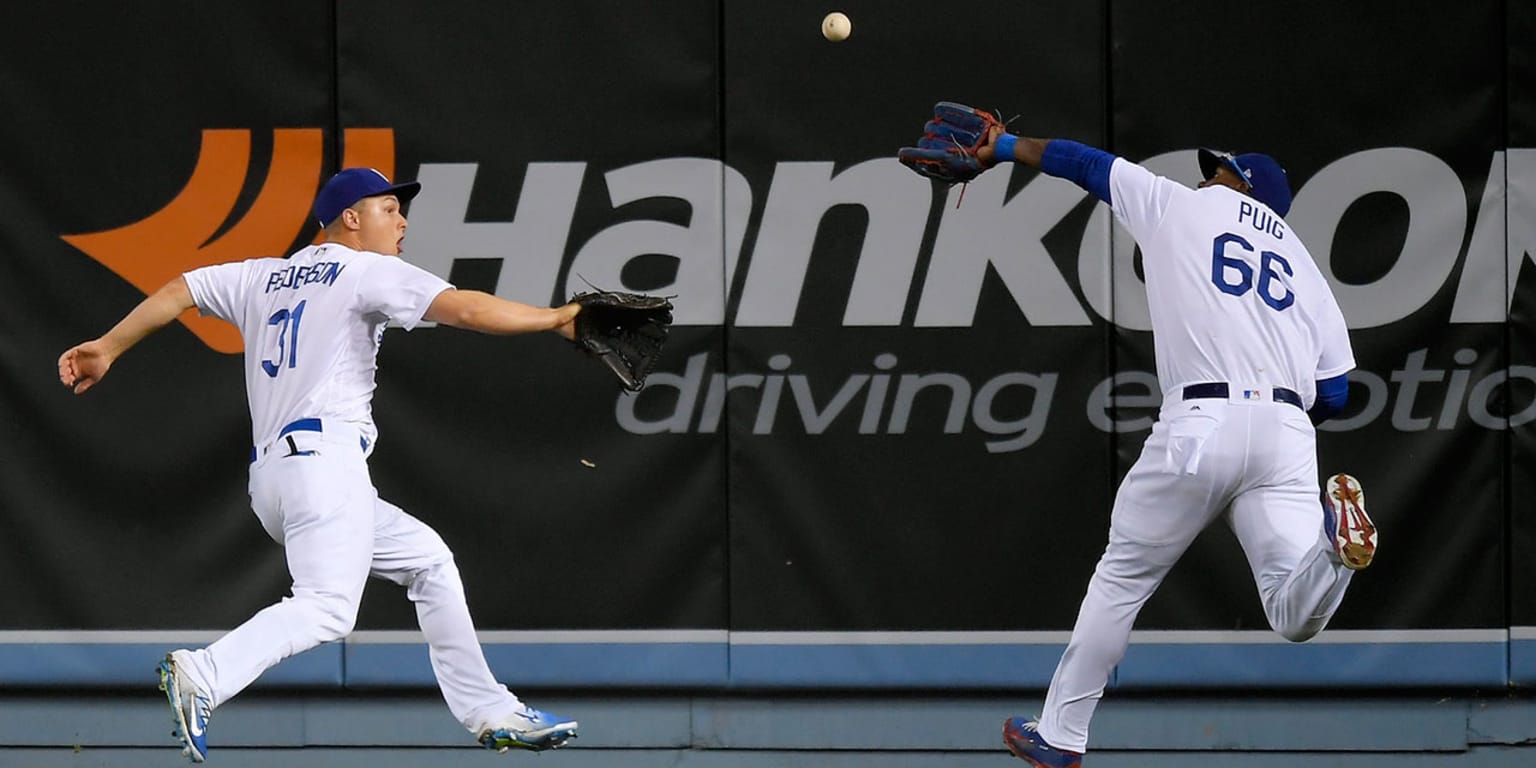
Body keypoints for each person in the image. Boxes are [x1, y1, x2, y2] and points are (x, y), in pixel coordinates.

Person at [58, 168, 585, 763]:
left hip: (277, 482)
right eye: (389, 208)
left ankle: (490, 710)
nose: (403, 220)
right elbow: (464, 308)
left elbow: (181, 288)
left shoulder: (263, 275)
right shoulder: (365, 270)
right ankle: (204, 672)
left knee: (430, 561)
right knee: (328, 607)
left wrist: (107, 345)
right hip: (325, 466)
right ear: (351, 219)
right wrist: (557, 318)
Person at [969, 132, 1378, 768]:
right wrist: (1281, 418)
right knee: (1293, 616)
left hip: (1203, 418)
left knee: (1123, 577)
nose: (1208, 176)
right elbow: (1337, 391)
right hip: (1287, 433)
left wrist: (1005, 146)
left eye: (1220, 172)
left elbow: (1084, 164)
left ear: (1243, 184)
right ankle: (1336, 552)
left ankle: (1062, 735)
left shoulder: (1179, 206)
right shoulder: (1303, 264)